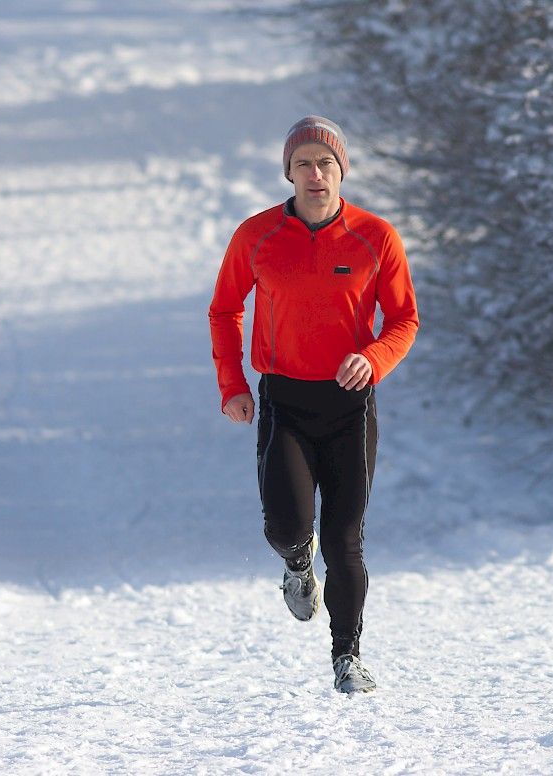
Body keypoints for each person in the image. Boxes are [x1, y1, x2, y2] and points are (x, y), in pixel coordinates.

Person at [208, 116, 419, 694]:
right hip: (284, 400)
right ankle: (296, 565)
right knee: (286, 525)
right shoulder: (257, 237)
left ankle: (347, 655)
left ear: (341, 171)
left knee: (345, 537)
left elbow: (404, 320)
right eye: (303, 163)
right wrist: (233, 385)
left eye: (325, 163)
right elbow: (224, 310)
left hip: (350, 403)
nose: (315, 173)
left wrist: (373, 359)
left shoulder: (375, 237)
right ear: (289, 172)